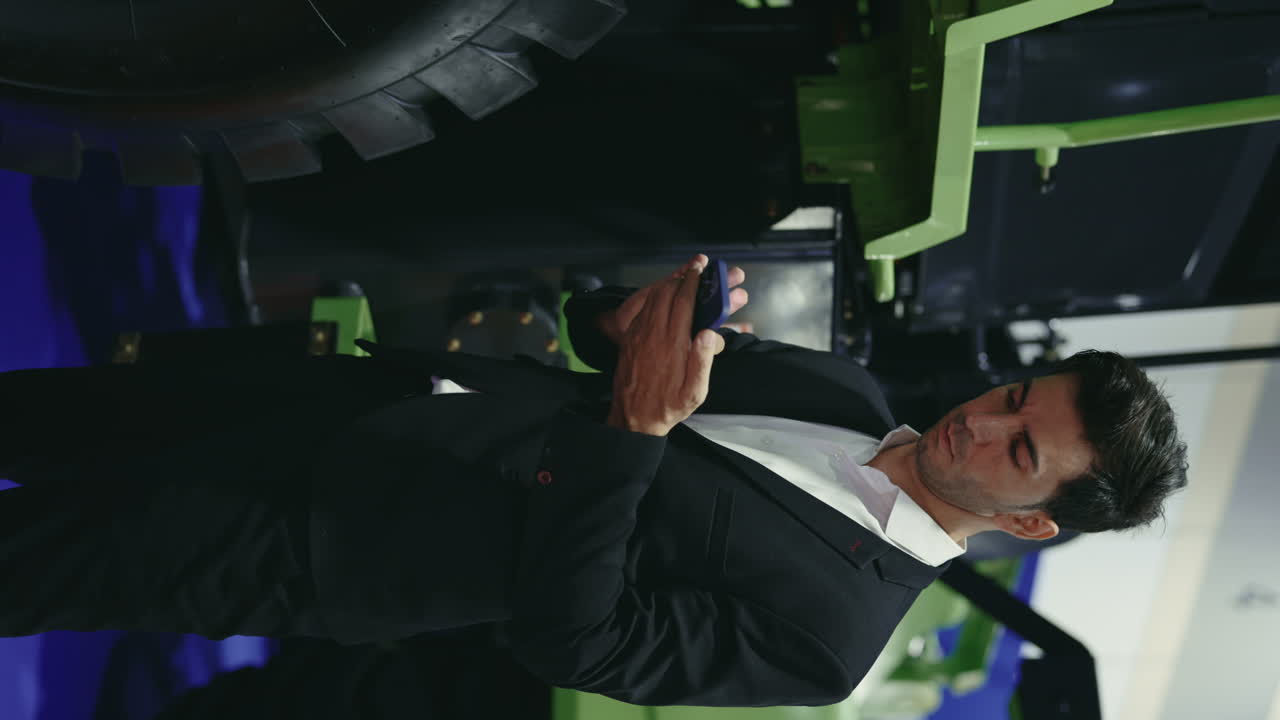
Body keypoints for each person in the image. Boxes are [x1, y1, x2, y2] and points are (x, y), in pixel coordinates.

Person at [0, 255, 1187, 707]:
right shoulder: (849, 392)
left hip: (326, 545)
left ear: (1029, 523)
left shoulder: (827, 642)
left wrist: (631, 431)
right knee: (34, 416)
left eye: (1015, 448)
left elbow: (570, 639)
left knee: (29, 566)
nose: (978, 422)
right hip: (350, 400)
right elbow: (608, 345)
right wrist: (625, 314)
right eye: (1007, 399)